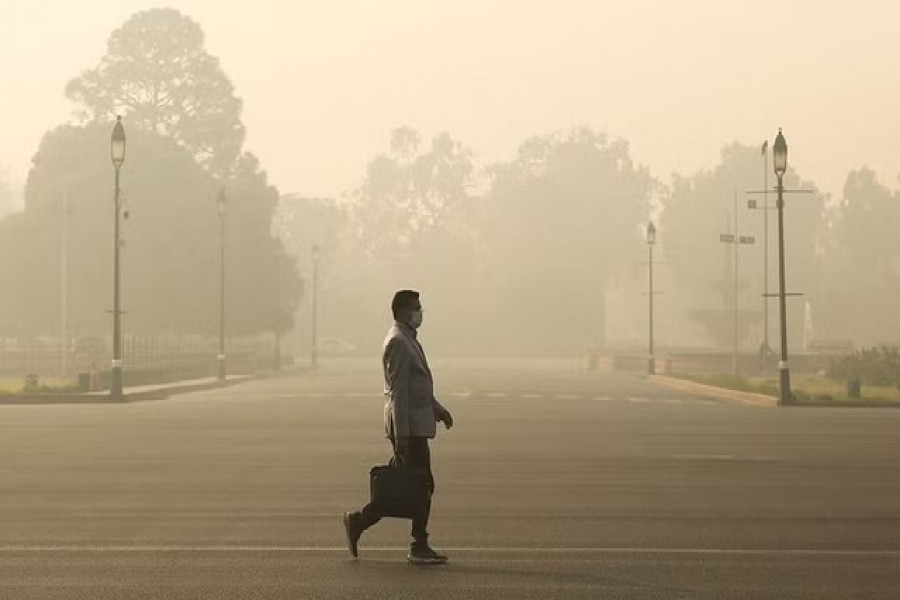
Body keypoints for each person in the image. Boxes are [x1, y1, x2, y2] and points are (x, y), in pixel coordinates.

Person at [343, 289, 454, 564]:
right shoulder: (399, 342)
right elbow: (399, 393)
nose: (420, 313)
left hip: (414, 425)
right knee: (421, 485)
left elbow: (418, 386)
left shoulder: (408, 339)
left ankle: (359, 521)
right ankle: (418, 544)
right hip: (409, 430)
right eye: (417, 308)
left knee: (406, 485)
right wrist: (402, 435)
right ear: (404, 311)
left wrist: (437, 410)